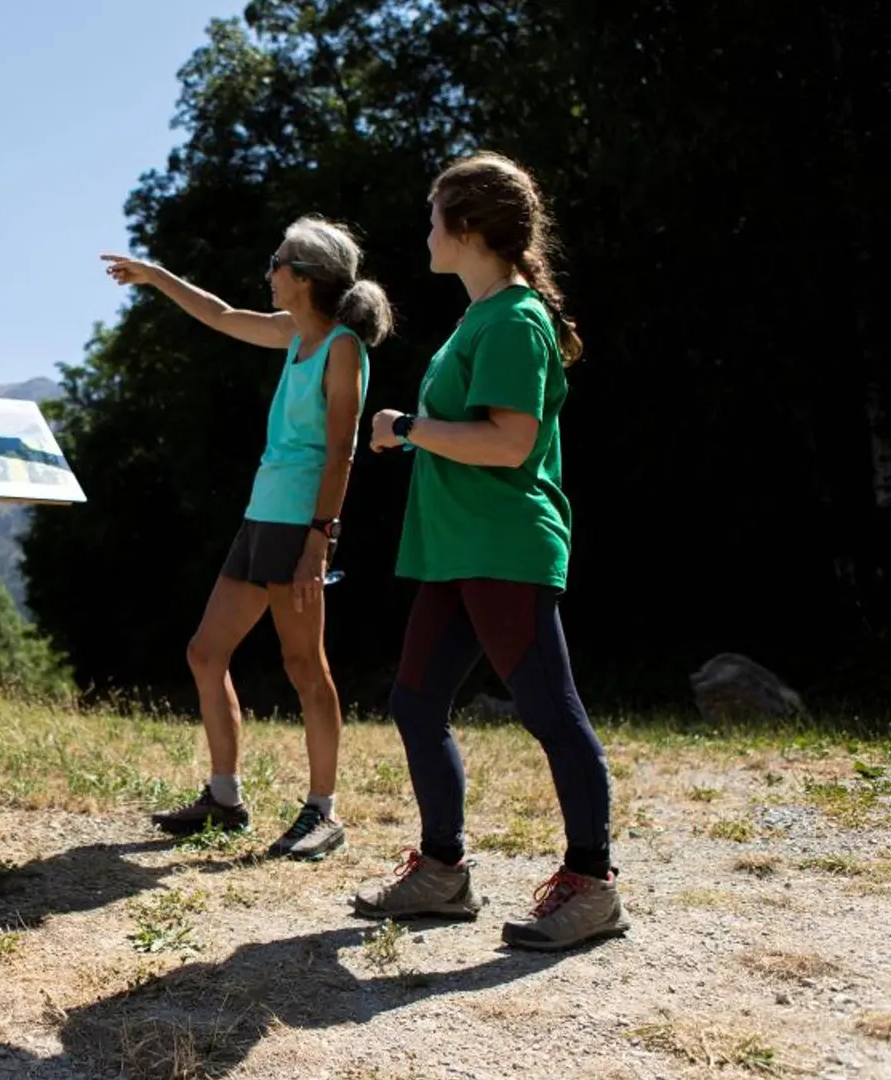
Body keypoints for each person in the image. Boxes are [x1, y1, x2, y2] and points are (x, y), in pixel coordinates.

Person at [353, 151, 628, 951]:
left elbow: (510, 442)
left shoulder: (513, 319)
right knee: (414, 703)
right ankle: (442, 872)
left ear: (467, 229)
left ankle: (593, 884)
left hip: (502, 546)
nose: (426, 231)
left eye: (435, 215)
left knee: (551, 713)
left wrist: (405, 429)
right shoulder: (482, 317)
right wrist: (413, 431)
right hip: (455, 549)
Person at [101, 216, 393, 860]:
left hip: (299, 525)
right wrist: (155, 278)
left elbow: (342, 452)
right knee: (206, 653)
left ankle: (323, 811)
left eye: (278, 261)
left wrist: (321, 538)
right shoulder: (294, 334)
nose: (269, 272)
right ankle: (225, 798)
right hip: (262, 515)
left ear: (307, 276)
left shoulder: (343, 346)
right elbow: (220, 313)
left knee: (303, 666)